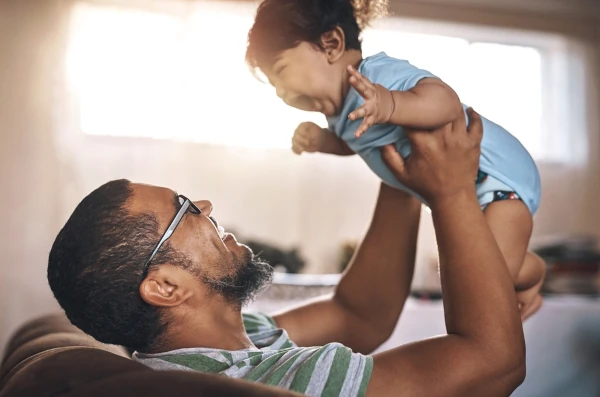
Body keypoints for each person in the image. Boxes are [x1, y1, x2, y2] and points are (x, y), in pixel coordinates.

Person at [48, 109, 527, 396]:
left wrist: (401, 177)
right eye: (185, 209)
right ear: (166, 286)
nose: (207, 205)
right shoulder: (270, 384)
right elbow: (493, 363)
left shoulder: (225, 347)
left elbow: (358, 314)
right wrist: (451, 193)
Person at [245, 0, 545, 317]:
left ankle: (534, 271)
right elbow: (357, 143)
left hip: (498, 184)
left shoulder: (376, 77)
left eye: (280, 71)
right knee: (462, 277)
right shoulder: (340, 115)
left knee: (490, 280)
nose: (279, 92)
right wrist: (324, 141)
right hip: (468, 198)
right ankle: (521, 270)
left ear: (331, 44)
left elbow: (446, 102)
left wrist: (389, 103)